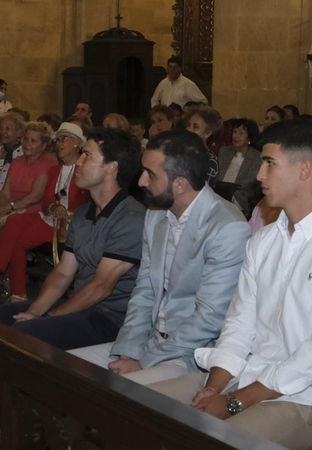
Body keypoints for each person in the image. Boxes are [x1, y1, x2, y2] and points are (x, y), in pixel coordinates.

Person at [146, 120, 312, 450]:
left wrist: (232, 403)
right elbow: (239, 325)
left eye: (269, 164)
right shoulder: (265, 241)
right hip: (242, 379)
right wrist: (214, 390)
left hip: (305, 401)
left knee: (208, 444)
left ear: (304, 170)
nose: (259, 174)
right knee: (139, 407)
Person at [71, 131, 249, 384]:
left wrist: (144, 361)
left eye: (150, 174)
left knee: (117, 393)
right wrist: (129, 351)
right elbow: (144, 291)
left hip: (191, 355)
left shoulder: (227, 227)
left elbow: (209, 319)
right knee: (64, 368)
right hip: (148, 342)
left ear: (180, 184)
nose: (141, 181)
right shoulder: (155, 215)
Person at [0, 129, 147, 348]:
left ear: (111, 167)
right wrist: (34, 312)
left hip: (112, 319)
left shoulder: (130, 218)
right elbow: (62, 273)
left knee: (24, 334)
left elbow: (101, 287)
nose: (78, 161)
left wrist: (51, 318)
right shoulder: (83, 213)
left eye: (87, 155)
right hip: (82, 306)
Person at [0, 122, 89, 296]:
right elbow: (47, 198)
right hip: (50, 219)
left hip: (71, 224)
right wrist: (54, 206)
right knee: (14, 221)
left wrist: (69, 212)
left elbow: (89, 201)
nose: (59, 143)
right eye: (58, 139)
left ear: (76, 143)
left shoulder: (85, 169)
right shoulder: (56, 169)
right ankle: (6, 283)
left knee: (14, 236)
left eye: (64, 139)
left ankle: (2, 280)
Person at [0, 120, 57, 263]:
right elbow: (5, 192)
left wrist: (7, 207)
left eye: (33, 141)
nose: (27, 144)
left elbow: (35, 197)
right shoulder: (17, 162)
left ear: (43, 146)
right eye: (25, 139)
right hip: (13, 206)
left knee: (0, 227)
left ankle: (2, 269)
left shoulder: (47, 163)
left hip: (32, 210)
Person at [217, 118, 262, 187]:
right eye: (234, 132)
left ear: (250, 137)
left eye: (241, 133)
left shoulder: (257, 158)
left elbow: (253, 188)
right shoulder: (224, 152)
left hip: (243, 196)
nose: (235, 136)